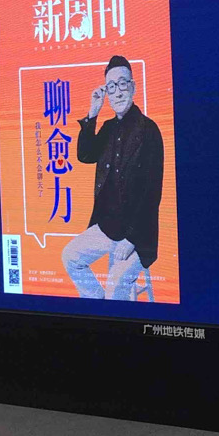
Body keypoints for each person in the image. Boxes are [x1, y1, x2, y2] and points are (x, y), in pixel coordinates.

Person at [61, 55, 163, 300]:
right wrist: (93, 113)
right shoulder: (108, 128)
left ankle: (111, 313)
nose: (117, 92)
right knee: (70, 257)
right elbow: (85, 155)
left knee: (115, 282)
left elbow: (152, 193)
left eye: (123, 83)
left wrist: (132, 239)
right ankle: (100, 306)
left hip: (139, 233)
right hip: (108, 227)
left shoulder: (149, 130)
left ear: (133, 87)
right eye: (111, 86)